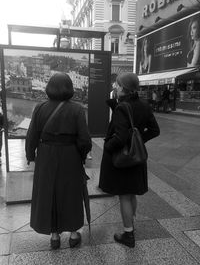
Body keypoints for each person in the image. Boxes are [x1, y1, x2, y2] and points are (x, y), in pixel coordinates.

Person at [25, 73, 92, 249]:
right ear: (70, 88)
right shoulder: (77, 109)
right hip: (70, 155)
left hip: (46, 156)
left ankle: (54, 236)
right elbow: (85, 140)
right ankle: (73, 234)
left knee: (49, 193)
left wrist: (31, 156)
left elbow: (31, 136)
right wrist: (82, 156)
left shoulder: (40, 108)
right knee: (71, 194)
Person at [99, 72, 160, 248]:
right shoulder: (143, 105)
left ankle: (128, 234)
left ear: (123, 88)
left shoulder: (122, 108)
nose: (114, 87)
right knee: (131, 193)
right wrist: (139, 141)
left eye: (117, 85)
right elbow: (155, 130)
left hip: (122, 160)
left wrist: (108, 147)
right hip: (136, 158)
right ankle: (131, 226)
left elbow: (120, 136)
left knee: (124, 196)